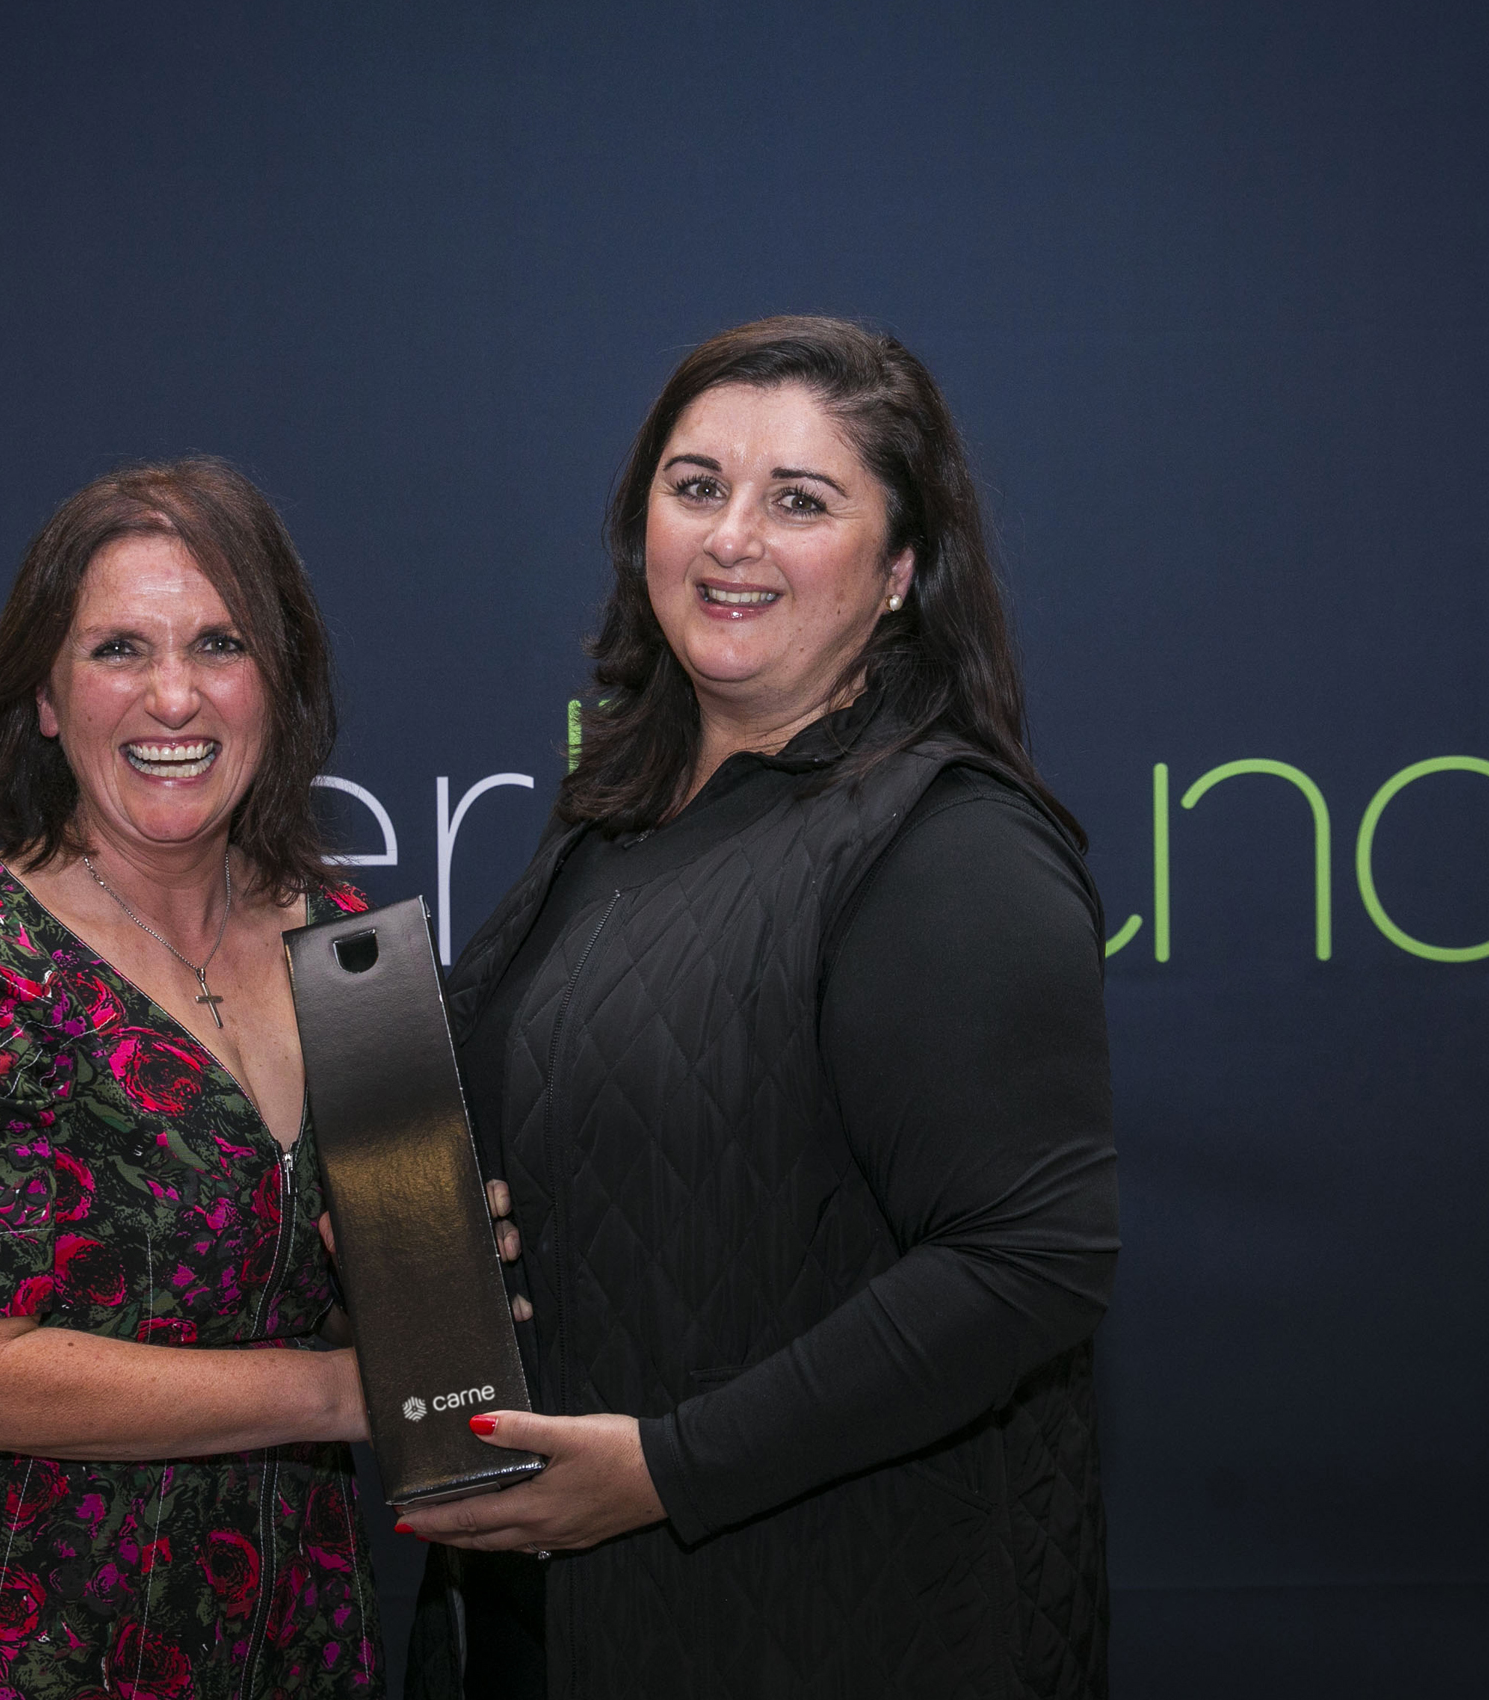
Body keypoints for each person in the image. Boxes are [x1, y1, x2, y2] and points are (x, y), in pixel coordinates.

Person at [399, 318, 1120, 1697]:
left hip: (832, 1622)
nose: (733, 538)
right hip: (559, 1618)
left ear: (901, 569)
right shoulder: (616, 813)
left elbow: (1032, 1263)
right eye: (696, 486)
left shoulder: (948, 841)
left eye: (801, 501)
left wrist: (669, 1472)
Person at [0, 458, 509, 1699]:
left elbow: (344, 1286)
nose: (172, 694)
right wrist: (348, 1386)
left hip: (272, 1613)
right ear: (45, 695)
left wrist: (427, 1271)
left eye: (220, 641)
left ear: (279, 680)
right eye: (115, 649)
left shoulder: (350, 946)